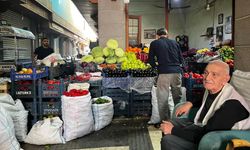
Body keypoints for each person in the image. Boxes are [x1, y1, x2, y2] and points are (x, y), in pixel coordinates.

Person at [160, 60, 250, 150]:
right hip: (203, 126)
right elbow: (204, 99)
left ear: (226, 79)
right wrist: (190, 103)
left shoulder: (231, 106)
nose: (207, 78)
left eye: (214, 74)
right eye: (206, 73)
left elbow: (206, 136)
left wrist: (173, 130)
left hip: (215, 139)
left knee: (168, 140)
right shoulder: (213, 88)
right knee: (169, 123)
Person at [148, 28, 184, 126]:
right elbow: (181, 59)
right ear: (167, 35)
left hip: (164, 72)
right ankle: (179, 120)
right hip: (177, 72)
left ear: (157, 35)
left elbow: (150, 59)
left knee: (163, 98)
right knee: (178, 97)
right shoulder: (175, 43)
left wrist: (156, 67)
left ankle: (166, 122)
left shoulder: (155, 43)